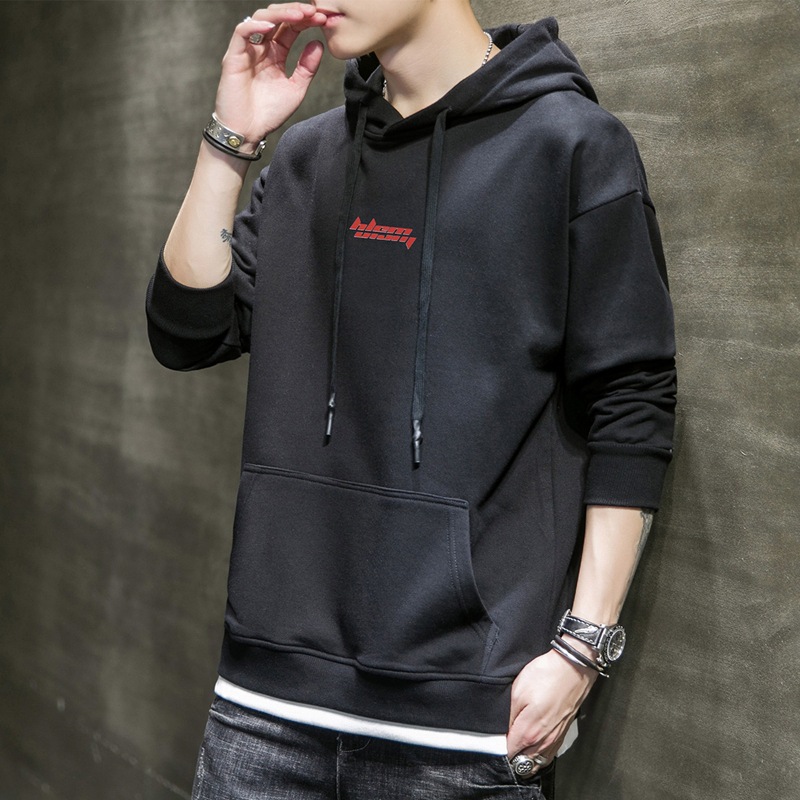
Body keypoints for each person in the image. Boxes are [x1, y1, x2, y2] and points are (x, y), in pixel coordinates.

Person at [145, 2, 676, 798]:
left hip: (457, 736)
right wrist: (230, 143)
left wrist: (582, 648)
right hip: (262, 713)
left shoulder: (570, 145)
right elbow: (187, 333)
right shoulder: (309, 157)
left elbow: (632, 399)